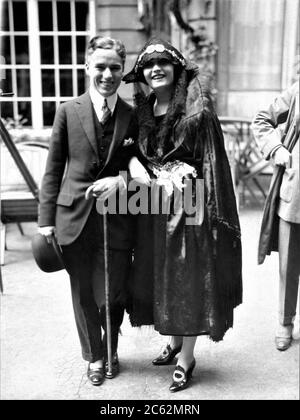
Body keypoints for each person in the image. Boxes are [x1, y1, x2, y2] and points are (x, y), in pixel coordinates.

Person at [123, 38, 242, 392]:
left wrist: (208, 209)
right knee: (163, 275)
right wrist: (133, 164)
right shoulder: (141, 115)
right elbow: (130, 153)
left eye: (163, 63)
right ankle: (174, 341)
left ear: (177, 71)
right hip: (153, 210)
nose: (155, 69)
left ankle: (186, 357)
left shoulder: (198, 114)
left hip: (189, 209)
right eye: (148, 65)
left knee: (187, 279)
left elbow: (213, 164)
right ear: (142, 74)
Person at [38, 36, 137, 386]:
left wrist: (121, 180)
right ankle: (96, 356)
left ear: (122, 70)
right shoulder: (68, 110)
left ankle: (110, 346)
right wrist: (45, 221)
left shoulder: (132, 114)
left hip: (119, 218)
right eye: (100, 67)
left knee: (112, 293)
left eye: (114, 67)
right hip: (73, 218)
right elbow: (53, 169)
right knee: (82, 293)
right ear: (87, 68)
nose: (107, 74)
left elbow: (143, 166)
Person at [252, 81, 299, 351]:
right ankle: (285, 320)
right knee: (289, 264)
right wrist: (276, 148)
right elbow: (262, 119)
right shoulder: (298, 91)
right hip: (297, 190)